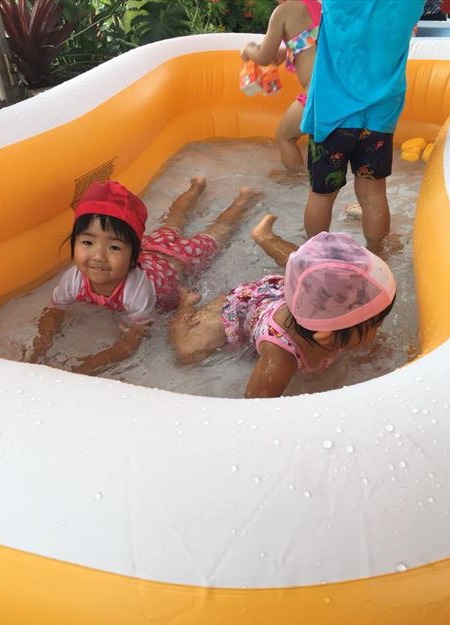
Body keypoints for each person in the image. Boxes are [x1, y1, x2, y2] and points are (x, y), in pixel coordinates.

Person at [26, 178, 259, 375]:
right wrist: (42, 344)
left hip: (181, 259)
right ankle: (195, 188)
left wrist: (85, 367)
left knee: (217, 232)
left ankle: (243, 199)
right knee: (173, 218)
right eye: (87, 242)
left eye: (114, 247)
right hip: (153, 246)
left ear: (133, 254)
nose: (98, 256)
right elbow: (54, 312)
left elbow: (128, 346)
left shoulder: (136, 291)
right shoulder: (73, 279)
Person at [169, 216, 396, 399]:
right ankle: (186, 304)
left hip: (288, 293)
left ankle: (266, 237)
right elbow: (256, 405)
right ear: (327, 336)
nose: (378, 332)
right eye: (376, 324)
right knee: (187, 351)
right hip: (241, 306)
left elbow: (373, 349)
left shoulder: (337, 323)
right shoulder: (281, 356)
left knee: (319, 269)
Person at [301, 0, 425, 253]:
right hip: (381, 114)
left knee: (322, 194)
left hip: (333, 113)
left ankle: (315, 259)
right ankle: (377, 256)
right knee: (374, 194)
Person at [241, 0, 322, 173]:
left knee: (285, 136)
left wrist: (249, 49)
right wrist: (288, 51)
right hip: (342, 92)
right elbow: (316, 41)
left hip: (317, 96)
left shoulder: (282, 12)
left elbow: (263, 57)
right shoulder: (321, 5)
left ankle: (297, 179)